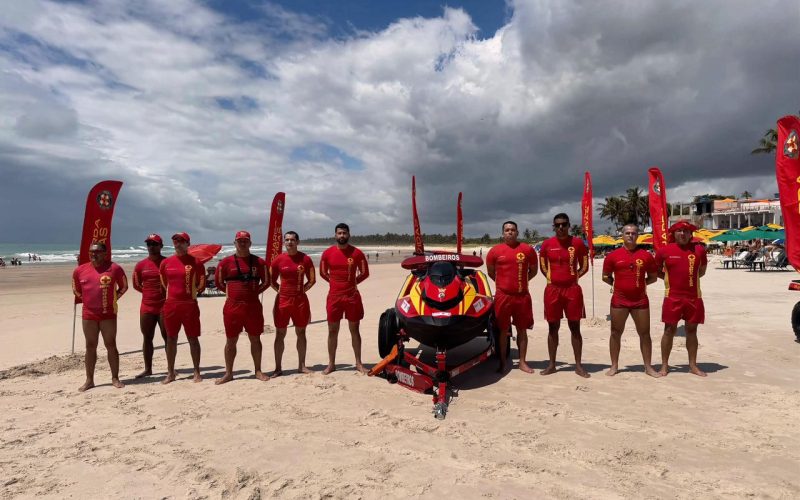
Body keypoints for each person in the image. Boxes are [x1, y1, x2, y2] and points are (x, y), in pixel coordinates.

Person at [601, 224, 660, 377]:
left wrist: (640, 284)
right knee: (615, 333)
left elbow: (653, 277)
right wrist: (617, 285)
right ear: (622, 235)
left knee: (645, 334)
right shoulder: (612, 256)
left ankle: (648, 367)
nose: (630, 236)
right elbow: (605, 276)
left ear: (637, 235)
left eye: (633, 233)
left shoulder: (646, 255)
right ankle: (614, 366)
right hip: (619, 301)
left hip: (640, 301)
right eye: (627, 233)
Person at [214, 231, 270, 384]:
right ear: (235, 243)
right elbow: (219, 283)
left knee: (255, 338)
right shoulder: (225, 263)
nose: (242, 243)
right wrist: (234, 294)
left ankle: (258, 370)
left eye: (245, 241)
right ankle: (229, 373)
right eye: (240, 241)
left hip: (253, 306)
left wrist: (253, 293)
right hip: (233, 307)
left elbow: (266, 282)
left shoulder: (260, 263)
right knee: (231, 340)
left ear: (250, 243)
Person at [71, 242, 128, 391]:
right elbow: (76, 290)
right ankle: (89, 380)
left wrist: (113, 299)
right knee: (90, 346)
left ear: (105, 253)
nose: (93, 255)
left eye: (96, 252)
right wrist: (88, 301)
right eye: (91, 252)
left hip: (108, 314)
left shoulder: (114, 268)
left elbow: (124, 287)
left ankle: (115, 378)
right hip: (88, 315)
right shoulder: (79, 270)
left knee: (111, 345)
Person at [539, 213, 590, 378]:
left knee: (575, 327)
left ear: (569, 225)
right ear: (554, 226)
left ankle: (578, 366)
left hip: (572, 290)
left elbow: (584, 266)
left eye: (564, 224)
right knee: (552, 327)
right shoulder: (546, 244)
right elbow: (543, 267)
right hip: (552, 290)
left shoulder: (578, 243)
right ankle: (552, 364)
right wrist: (553, 279)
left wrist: (573, 278)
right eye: (557, 225)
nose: (561, 227)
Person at [655, 220, 708, 377]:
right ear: (673, 233)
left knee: (692, 331)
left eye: (686, 231)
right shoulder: (664, 251)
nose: (683, 234)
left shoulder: (699, 250)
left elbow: (702, 271)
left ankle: (693, 365)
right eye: (679, 231)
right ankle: (664, 365)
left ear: (690, 234)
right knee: (669, 330)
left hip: (694, 297)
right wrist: (668, 279)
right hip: (672, 297)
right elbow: (656, 270)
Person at [486, 221, 538, 373]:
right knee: (502, 330)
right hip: (503, 296)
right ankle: (502, 362)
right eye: (507, 230)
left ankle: (522, 362)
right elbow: (491, 272)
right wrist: (504, 284)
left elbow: (533, 271)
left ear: (517, 232)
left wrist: (521, 282)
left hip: (522, 297)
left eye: (513, 230)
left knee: (522, 329)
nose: (510, 232)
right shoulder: (495, 251)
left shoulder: (527, 250)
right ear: (503, 233)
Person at [320, 223, 369, 374]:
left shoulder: (357, 253)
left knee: (354, 329)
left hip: (352, 296)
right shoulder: (327, 253)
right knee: (332, 330)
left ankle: (359, 363)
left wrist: (352, 283)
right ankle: (331, 364)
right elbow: (323, 273)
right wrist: (335, 283)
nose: (342, 236)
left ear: (349, 234)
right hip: (334, 297)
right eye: (339, 233)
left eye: (344, 233)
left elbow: (365, 273)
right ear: (335, 235)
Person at [159, 232, 206, 384]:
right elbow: (165, 284)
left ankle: (197, 371)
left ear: (187, 243)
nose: (178, 244)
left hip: (190, 305)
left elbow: (201, 285)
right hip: (171, 305)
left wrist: (190, 292)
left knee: (193, 338)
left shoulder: (196, 263)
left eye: (181, 241)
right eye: (175, 241)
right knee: (171, 339)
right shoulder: (166, 263)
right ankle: (171, 372)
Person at [270, 231, 316, 376]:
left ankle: (301, 365)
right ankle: (278, 368)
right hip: (283, 300)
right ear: (284, 242)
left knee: (301, 332)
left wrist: (301, 291)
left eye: (292, 240)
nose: (289, 242)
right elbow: (271, 280)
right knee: (280, 333)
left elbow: (312, 280)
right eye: (287, 240)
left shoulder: (305, 259)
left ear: (298, 242)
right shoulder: (278, 260)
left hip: (300, 301)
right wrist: (281, 291)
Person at [132, 233, 167, 378]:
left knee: (168, 337)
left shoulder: (167, 263)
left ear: (161, 246)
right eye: (149, 244)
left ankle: (171, 368)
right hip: (147, 307)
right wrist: (148, 293)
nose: (151, 247)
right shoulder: (140, 265)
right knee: (147, 338)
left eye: (154, 244)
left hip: (165, 306)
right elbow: (136, 284)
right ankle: (148, 369)